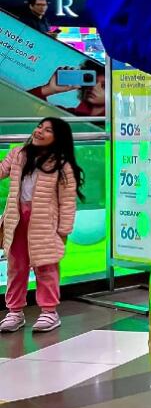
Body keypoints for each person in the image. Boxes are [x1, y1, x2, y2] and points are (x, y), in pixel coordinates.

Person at [0, 117, 81, 334]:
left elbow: (67, 202)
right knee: (15, 267)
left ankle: (49, 311)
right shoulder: (18, 154)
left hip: (44, 223)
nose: (40, 132)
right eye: (39, 127)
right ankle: (15, 311)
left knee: (46, 267)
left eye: (48, 130)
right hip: (16, 220)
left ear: (58, 138)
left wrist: (63, 231)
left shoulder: (61, 165)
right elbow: (1, 171)